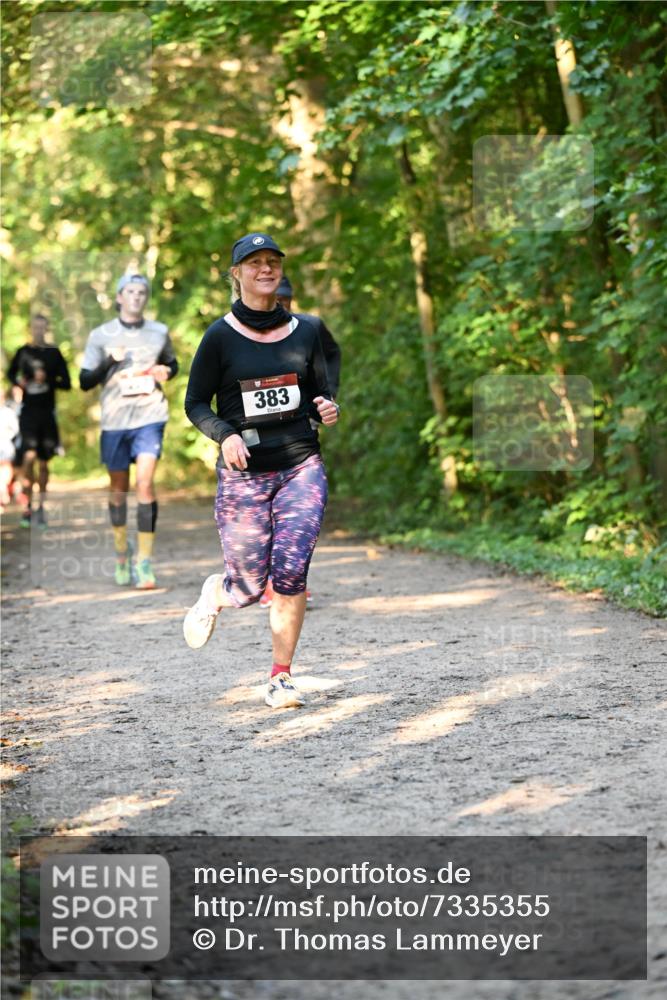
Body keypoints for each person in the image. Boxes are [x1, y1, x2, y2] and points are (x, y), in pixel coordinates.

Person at [183, 232, 340, 709]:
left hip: (300, 465)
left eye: (273, 261)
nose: (265, 269)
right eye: (255, 263)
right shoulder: (219, 336)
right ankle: (219, 591)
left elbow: (320, 390)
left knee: (292, 573)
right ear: (238, 274)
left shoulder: (307, 330)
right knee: (250, 587)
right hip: (244, 473)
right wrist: (225, 434)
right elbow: (194, 403)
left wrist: (327, 405)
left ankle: (281, 677)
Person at [79, 274, 178, 589]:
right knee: (119, 489)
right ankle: (122, 552)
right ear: (119, 297)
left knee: (145, 485)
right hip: (115, 421)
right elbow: (84, 381)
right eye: (130, 292)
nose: (136, 297)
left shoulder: (159, 332)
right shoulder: (100, 335)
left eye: (142, 292)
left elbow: (172, 365)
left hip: (150, 416)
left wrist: (167, 371)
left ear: (146, 297)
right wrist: (111, 360)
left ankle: (144, 562)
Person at [259, 273, 342, 608]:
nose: (278, 305)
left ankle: (291, 583)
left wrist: (325, 397)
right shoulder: (240, 328)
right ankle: (267, 581)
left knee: (298, 512)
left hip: (299, 429)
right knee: (266, 511)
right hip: (257, 436)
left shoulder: (309, 327)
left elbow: (331, 356)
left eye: (284, 299)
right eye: (273, 299)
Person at [7, 314, 71, 527]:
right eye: (35, 327)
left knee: (43, 463)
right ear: (31, 328)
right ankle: (27, 507)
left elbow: (67, 383)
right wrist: (21, 383)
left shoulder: (54, 354)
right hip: (28, 413)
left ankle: (41, 508)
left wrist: (49, 380)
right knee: (28, 457)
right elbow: (10, 374)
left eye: (42, 327)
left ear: (47, 329)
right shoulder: (23, 352)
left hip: (47, 413)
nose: (39, 331)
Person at [0, 387, 20, 512]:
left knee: (6, 469)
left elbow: (15, 430)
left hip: (6, 446)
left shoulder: (8, 413)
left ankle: (2, 488)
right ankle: (2, 489)